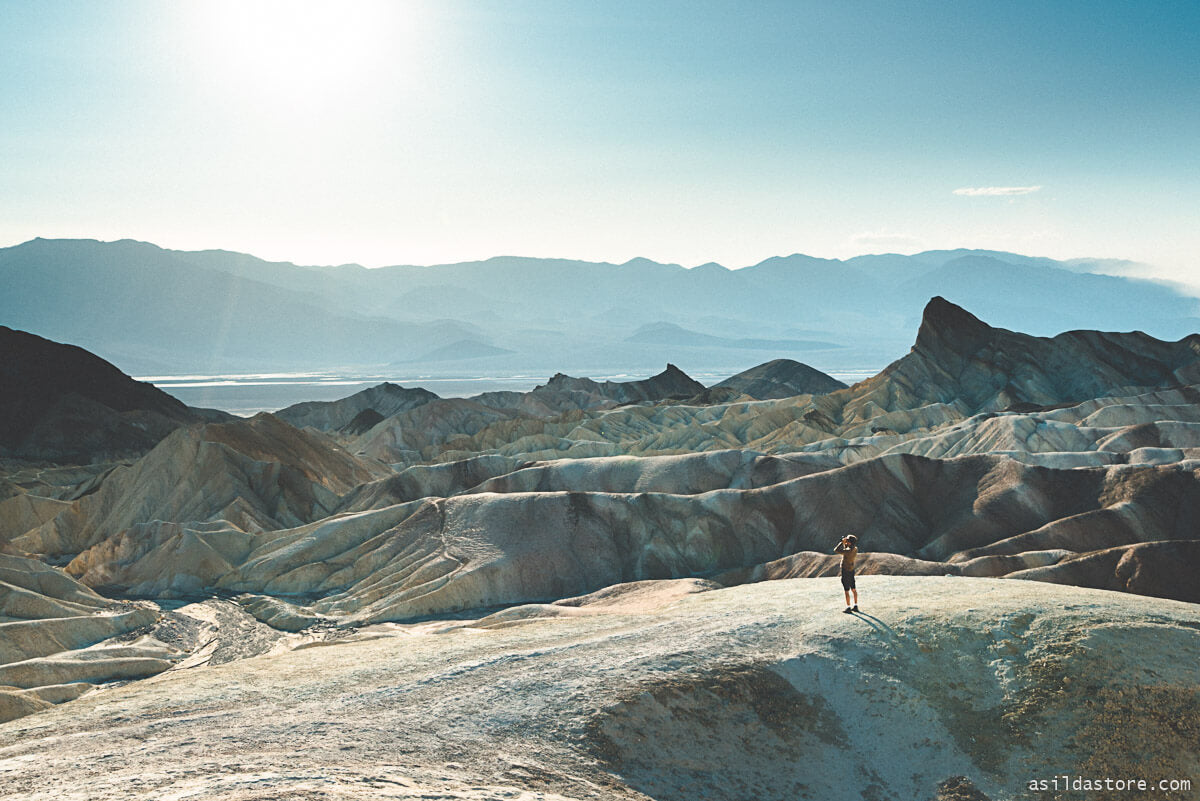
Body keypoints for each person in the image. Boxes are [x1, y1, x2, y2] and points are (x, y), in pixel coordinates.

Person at [834, 534, 859, 613]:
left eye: (848, 540)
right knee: (853, 589)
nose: (846, 541)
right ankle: (855, 606)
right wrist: (846, 543)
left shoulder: (848, 551)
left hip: (845, 571)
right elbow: (847, 550)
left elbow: (836, 550)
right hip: (851, 571)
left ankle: (848, 607)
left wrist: (841, 542)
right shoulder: (855, 549)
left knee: (846, 590)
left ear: (850, 543)